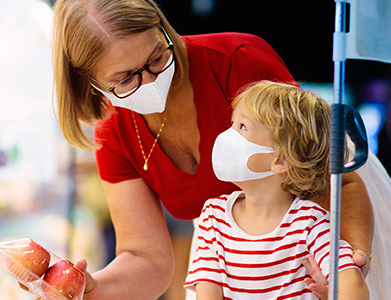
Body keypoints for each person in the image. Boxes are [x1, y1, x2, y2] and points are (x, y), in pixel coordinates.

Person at [51, 0, 373, 298]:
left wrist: (348, 264)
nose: (149, 81)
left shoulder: (237, 61)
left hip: (336, 229)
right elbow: (144, 257)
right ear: (88, 82)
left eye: (157, 59)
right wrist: (92, 290)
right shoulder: (114, 132)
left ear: (164, 30)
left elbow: (337, 181)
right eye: (125, 79)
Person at [183, 81, 368, 299]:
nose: (226, 135)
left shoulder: (310, 222)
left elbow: (353, 286)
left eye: (242, 127)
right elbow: (207, 293)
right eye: (232, 123)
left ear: (280, 160)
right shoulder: (213, 216)